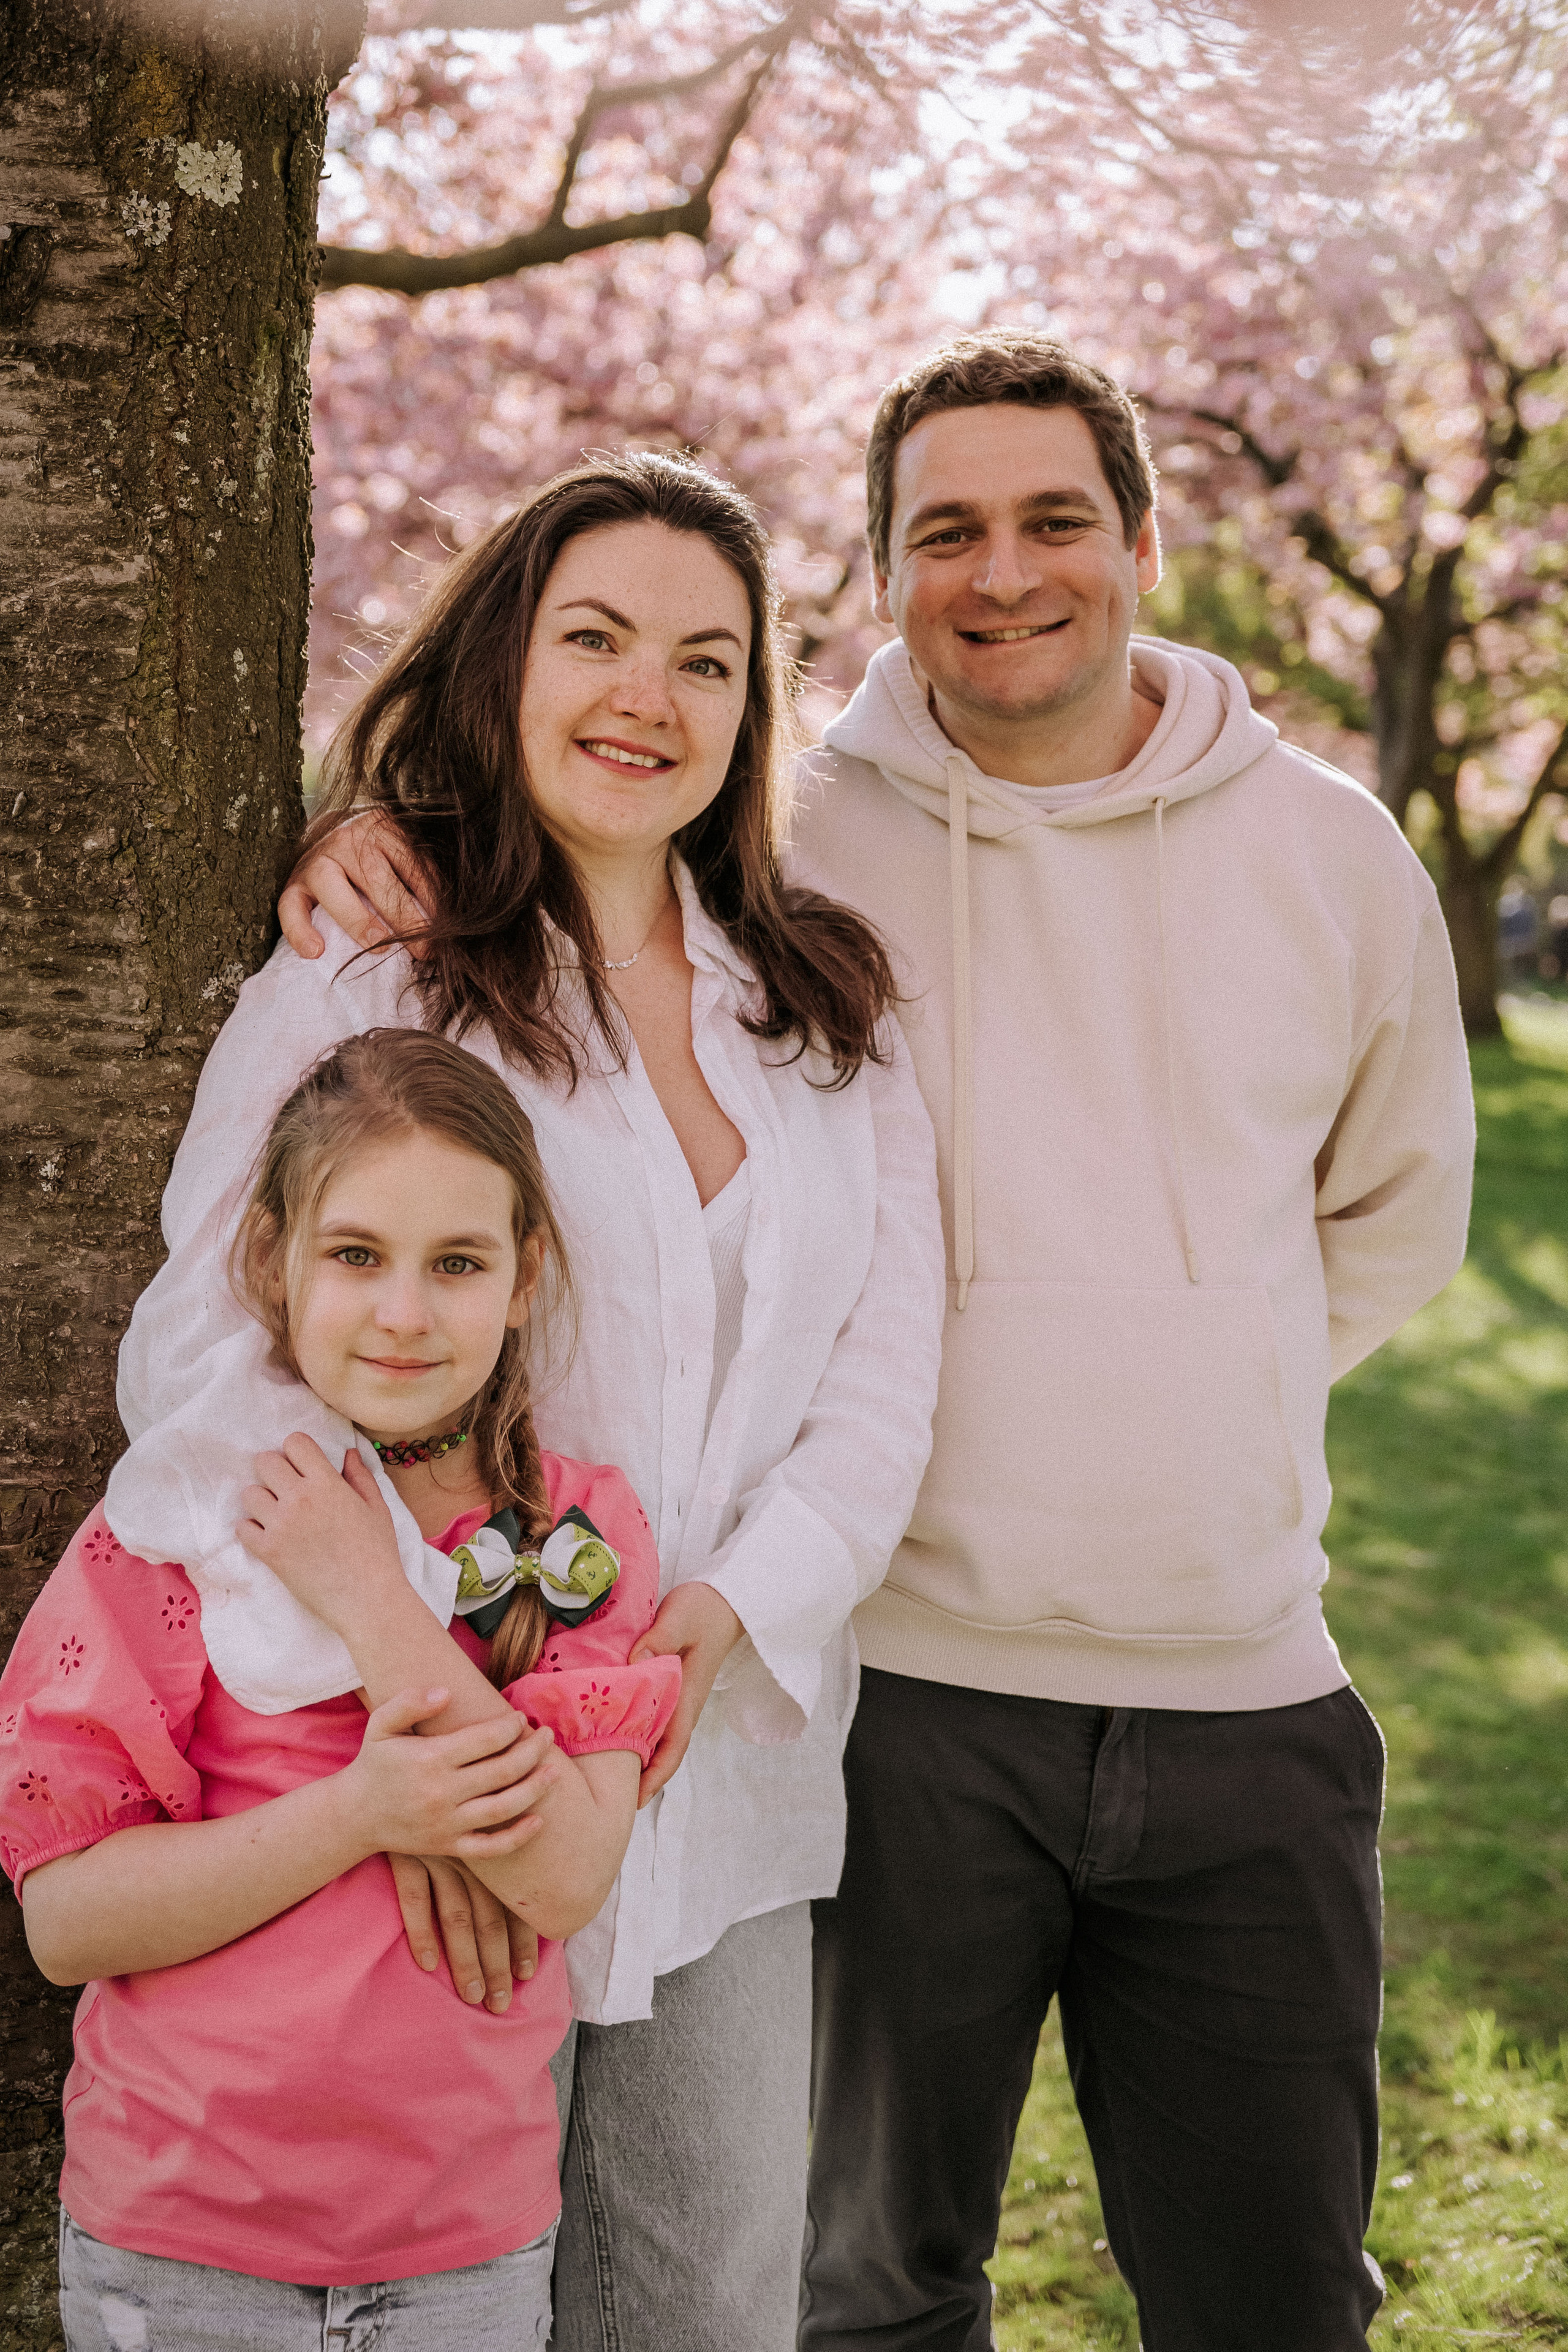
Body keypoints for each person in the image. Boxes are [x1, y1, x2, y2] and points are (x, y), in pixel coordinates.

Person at [282, 336, 1478, 2350]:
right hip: (897, 1703)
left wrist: (1198, 1386)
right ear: (885, 575)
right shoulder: (793, 849)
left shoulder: (1337, 852)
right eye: (947, 532)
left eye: (1051, 522)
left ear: (1147, 542)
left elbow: (1399, 1217)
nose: (1002, 572)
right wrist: (367, 813)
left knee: (1278, 2297)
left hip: (1250, 1689)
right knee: (861, 2293)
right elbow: (574, 813)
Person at [107, 453, 946, 2352]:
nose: (646, 698)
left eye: (706, 662)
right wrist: (428, 1692)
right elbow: (207, 1352)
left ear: (755, 715)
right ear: (506, 663)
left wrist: (718, 1628)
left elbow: (888, 1382)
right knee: (436, 2304)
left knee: (710, 2305)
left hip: (715, 1776)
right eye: (596, 639)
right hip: (421, 1770)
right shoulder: (371, 975)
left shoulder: (824, 1011)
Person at [2, 1027, 682, 2350]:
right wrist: (367, 1811)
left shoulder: (572, 1536)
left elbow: (556, 1877)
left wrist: (371, 1597)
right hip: (182, 2244)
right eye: (355, 1255)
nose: (404, 1314)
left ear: (526, 1275)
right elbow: (67, 1923)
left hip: (459, 2255)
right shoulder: (177, 1528)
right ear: (272, 1262)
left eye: (458, 1264)